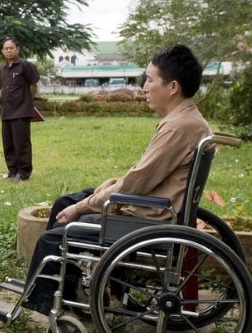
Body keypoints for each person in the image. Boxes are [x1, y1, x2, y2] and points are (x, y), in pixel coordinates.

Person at [22, 44, 212, 315]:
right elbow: (148, 174)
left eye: (150, 79)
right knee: (64, 201)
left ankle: (48, 298)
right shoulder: (188, 120)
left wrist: (84, 206)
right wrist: (109, 186)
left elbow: (138, 182)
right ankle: (65, 290)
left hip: (147, 219)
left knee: (55, 236)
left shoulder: (178, 127)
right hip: (155, 206)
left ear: (172, 87)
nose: (144, 86)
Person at [0, 37, 39, 181]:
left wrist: (27, 101)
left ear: (17, 49)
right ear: (3, 51)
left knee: (22, 143)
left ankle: (24, 172)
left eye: (11, 48)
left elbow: (33, 86)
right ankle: (12, 170)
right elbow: (2, 88)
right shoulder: (2, 69)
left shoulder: (25, 66)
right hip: (6, 112)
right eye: (6, 48)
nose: (9, 50)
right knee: (8, 143)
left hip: (21, 110)